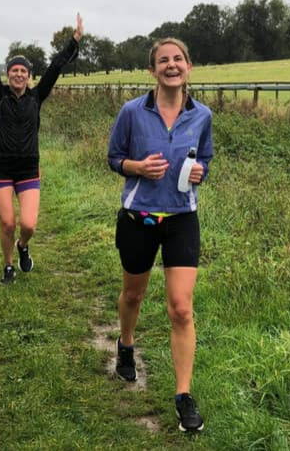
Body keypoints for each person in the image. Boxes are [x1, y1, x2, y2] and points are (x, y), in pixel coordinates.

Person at [106, 37, 213, 433]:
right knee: (133, 294)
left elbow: (205, 158)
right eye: (163, 60)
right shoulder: (132, 112)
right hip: (140, 217)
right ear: (152, 70)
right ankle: (126, 344)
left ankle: (184, 396)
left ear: (189, 66)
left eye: (178, 59)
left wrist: (202, 170)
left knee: (181, 308)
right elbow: (114, 158)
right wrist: (137, 167)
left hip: (182, 217)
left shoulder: (202, 115)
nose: (172, 65)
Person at [0, 6, 82, 285]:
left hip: (28, 167)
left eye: (23, 71)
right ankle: (8, 265)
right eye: (14, 70)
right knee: (7, 222)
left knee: (28, 225)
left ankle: (22, 246)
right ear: (8, 75)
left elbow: (56, 66)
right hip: (0, 166)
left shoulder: (37, 97)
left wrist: (75, 41)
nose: (19, 74)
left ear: (30, 77)